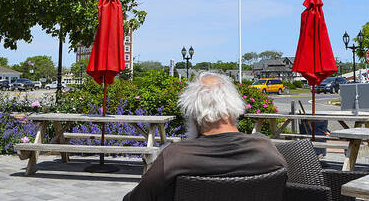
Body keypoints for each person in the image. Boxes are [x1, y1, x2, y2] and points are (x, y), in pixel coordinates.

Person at [123, 71, 287, 201]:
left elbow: (136, 198)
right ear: (235, 108)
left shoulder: (175, 157)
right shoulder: (266, 150)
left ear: (194, 116)